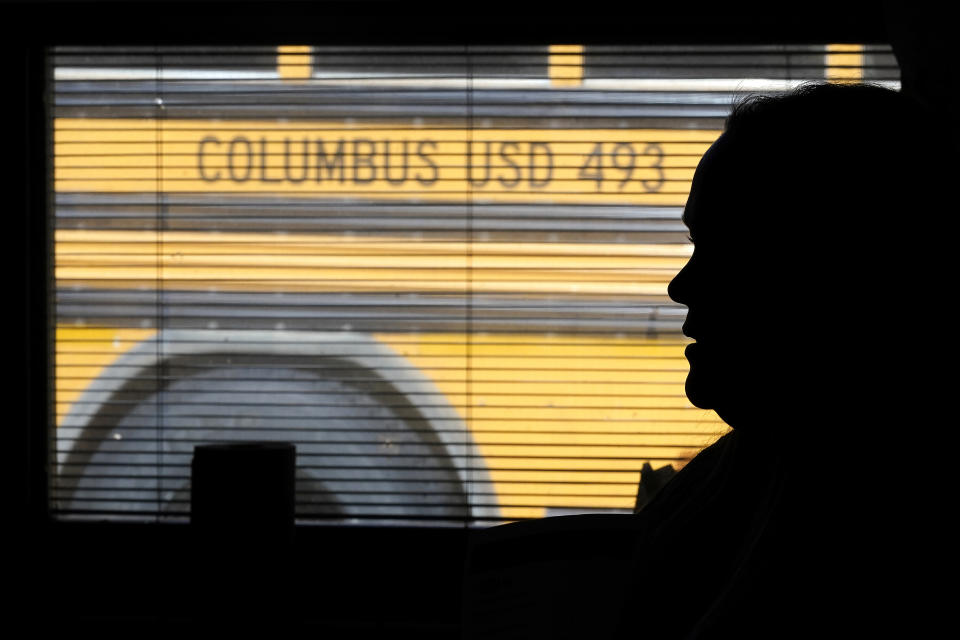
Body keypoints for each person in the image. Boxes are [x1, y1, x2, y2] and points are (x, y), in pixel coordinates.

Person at [614, 83, 951, 638]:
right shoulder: (745, 477)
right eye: (695, 244)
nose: (681, 285)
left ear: (832, 271)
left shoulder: (855, 528)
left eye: (729, 249)